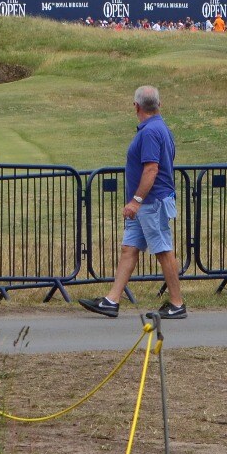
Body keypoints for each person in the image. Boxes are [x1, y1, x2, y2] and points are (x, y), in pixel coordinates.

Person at [80, 86, 188, 319]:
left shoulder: (150, 132)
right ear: (159, 104)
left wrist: (136, 201)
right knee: (129, 249)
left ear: (136, 106)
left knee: (163, 250)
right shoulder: (161, 128)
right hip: (150, 202)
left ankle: (177, 304)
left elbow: (151, 169)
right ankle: (112, 300)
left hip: (151, 202)